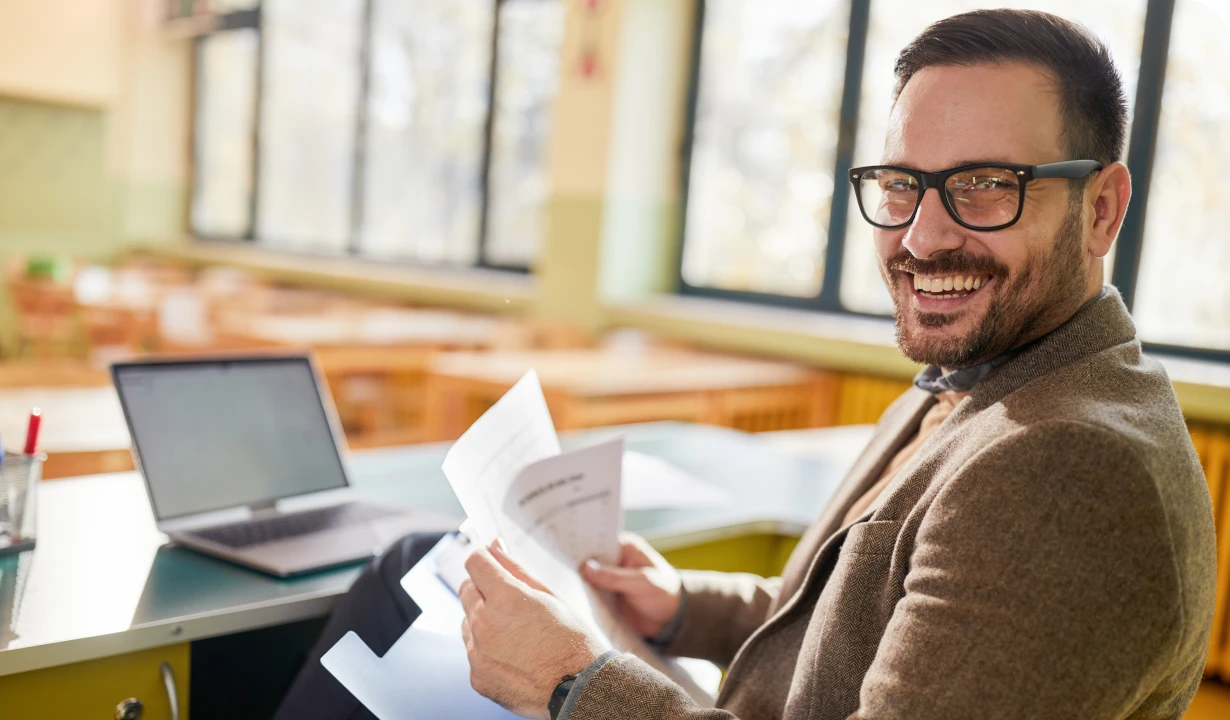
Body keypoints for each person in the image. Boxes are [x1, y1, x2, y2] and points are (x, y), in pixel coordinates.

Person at [275, 9, 1216, 720]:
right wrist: (683, 607)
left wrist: (571, 679)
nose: (924, 236)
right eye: (901, 185)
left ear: (1101, 208)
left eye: (985, 187)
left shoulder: (1067, 468)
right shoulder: (986, 373)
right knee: (417, 562)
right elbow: (861, 629)